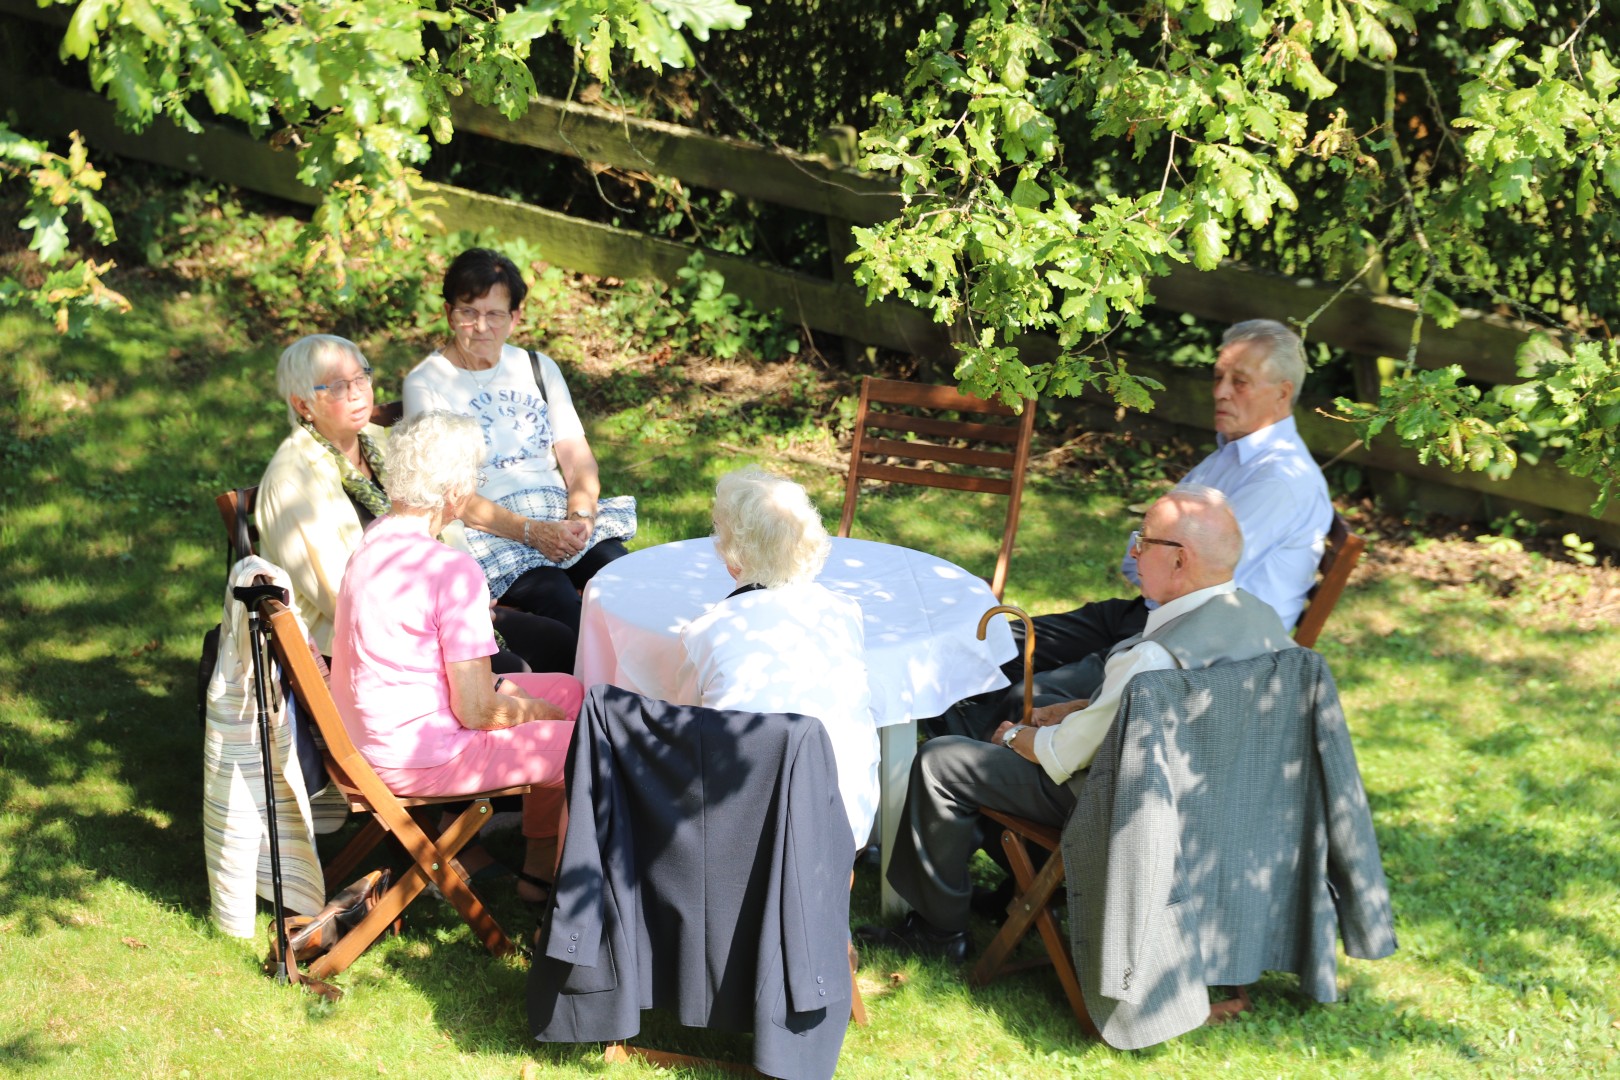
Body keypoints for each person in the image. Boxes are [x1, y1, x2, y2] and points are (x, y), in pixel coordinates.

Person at [858, 487, 1296, 961]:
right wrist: (1083, 706)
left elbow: (1063, 755)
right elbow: (1177, 705)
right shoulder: (1262, 622)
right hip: (1204, 800)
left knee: (943, 761)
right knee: (1026, 710)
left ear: (1179, 560)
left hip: (1119, 804)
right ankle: (1015, 893)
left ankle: (938, 932)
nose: (1134, 552)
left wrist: (1011, 735)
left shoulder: (1152, 656)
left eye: (1143, 541)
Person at [934, 318, 1332, 741]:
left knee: (1025, 696)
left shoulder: (1280, 480)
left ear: (1282, 392)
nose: (1219, 392)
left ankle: (955, 761)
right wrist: (1152, 559)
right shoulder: (1233, 455)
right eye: (1218, 377)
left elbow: (1178, 575)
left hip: (1191, 652)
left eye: (1240, 382)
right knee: (999, 643)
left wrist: (1151, 559)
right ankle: (946, 738)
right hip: (1150, 617)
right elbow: (1150, 561)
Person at [329, 410, 585, 909]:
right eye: (474, 478)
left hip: (373, 733)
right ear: (453, 492)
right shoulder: (452, 570)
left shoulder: (378, 537)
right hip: (419, 754)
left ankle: (538, 872)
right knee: (587, 746)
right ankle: (569, 908)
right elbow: (476, 712)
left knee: (574, 692)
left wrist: (520, 700)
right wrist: (533, 712)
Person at [256, 333, 575, 672]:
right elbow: (342, 597)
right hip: (373, 643)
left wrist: (466, 596)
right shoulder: (292, 481)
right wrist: (448, 610)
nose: (357, 392)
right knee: (517, 673)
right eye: (336, 386)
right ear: (303, 404)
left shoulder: (380, 442)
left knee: (558, 641)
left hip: (438, 610)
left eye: (361, 377)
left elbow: (445, 521)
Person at [403, 247, 635, 635]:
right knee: (562, 603)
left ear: (515, 317)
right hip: (491, 531)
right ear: (448, 314)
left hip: (559, 517)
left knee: (625, 580)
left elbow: (578, 460)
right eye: (468, 312)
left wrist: (580, 518)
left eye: (495, 314)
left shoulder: (537, 367)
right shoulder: (426, 384)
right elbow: (448, 494)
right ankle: (593, 691)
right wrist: (532, 532)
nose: (481, 327)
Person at [670, 467, 879, 851]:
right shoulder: (844, 612)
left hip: (746, 828)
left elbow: (686, 727)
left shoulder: (707, 632)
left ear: (732, 556)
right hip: (845, 815)